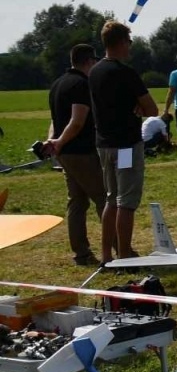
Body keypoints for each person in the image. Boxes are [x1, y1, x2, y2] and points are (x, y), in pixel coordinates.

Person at [88, 20, 158, 261]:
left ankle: (107, 254)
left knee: (110, 199)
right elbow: (151, 108)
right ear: (120, 43)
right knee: (126, 201)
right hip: (126, 146)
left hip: (104, 145)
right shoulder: (126, 73)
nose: (130, 47)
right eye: (129, 42)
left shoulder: (95, 71)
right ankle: (126, 254)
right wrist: (138, 106)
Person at [41, 43, 105, 266]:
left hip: (64, 153)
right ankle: (116, 249)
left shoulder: (57, 84)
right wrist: (61, 141)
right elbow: (77, 122)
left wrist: (54, 142)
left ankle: (82, 253)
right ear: (89, 61)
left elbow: (54, 121)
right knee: (103, 198)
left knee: (77, 202)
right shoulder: (81, 84)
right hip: (81, 152)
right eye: (94, 61)